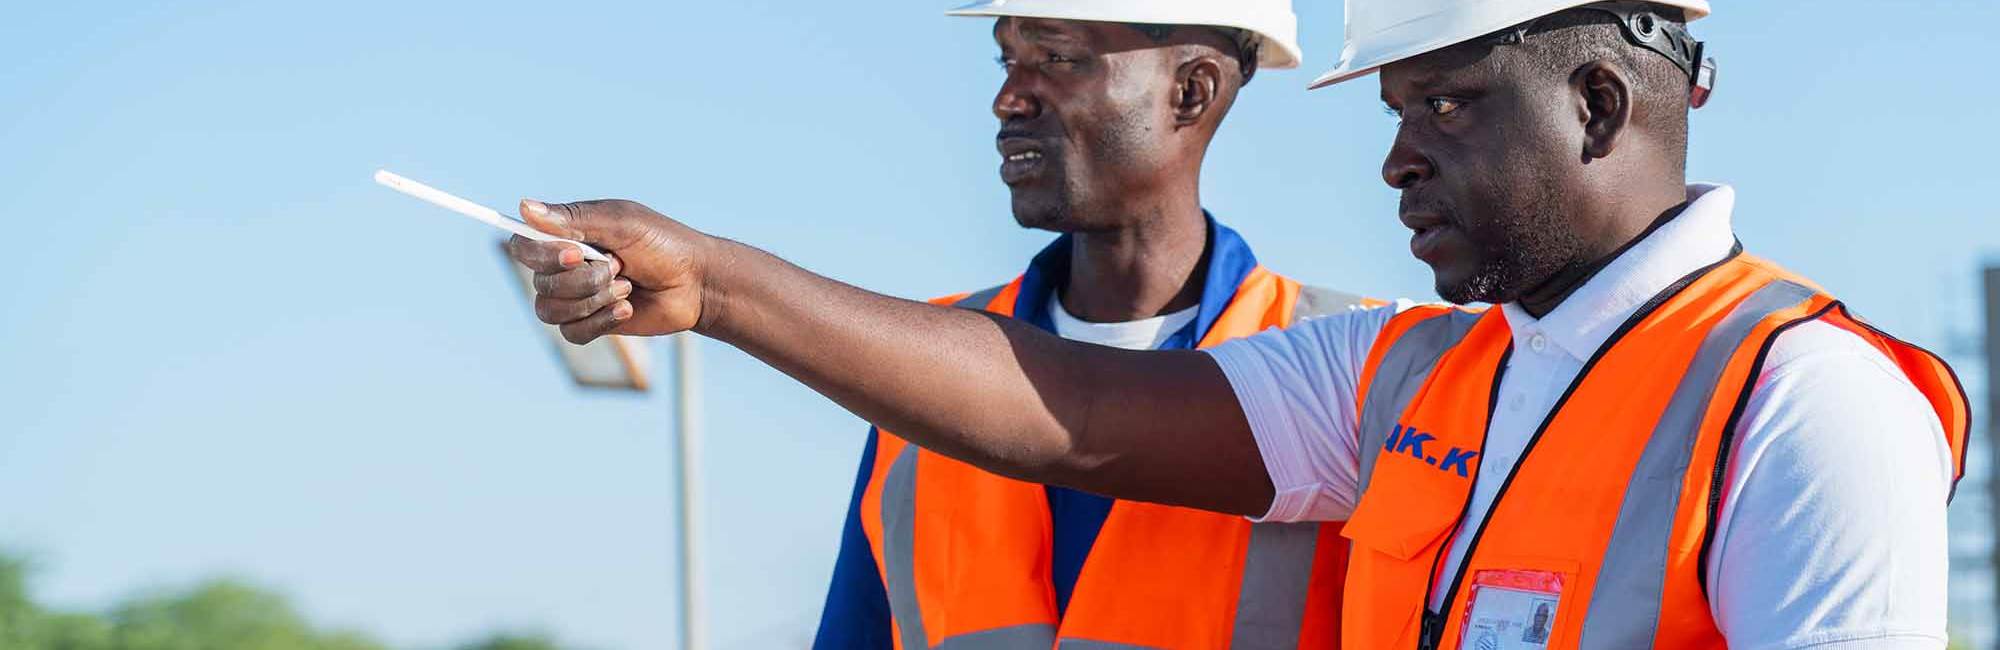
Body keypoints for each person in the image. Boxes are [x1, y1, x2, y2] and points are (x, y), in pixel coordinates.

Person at [502, 0, 1969, 647]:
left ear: (1596, 104)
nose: (1396, 161)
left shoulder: (1806, 397)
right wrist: (719, 284)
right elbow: (1062, 415)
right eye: (1396, 111)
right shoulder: (1419, 372)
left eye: (1444, 107)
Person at [808, 2, 1368, 648]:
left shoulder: (1339, 383)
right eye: (1007, 60)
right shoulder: (919, 368)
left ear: (1192, 92)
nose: (1008, 99)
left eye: (1057, 59)